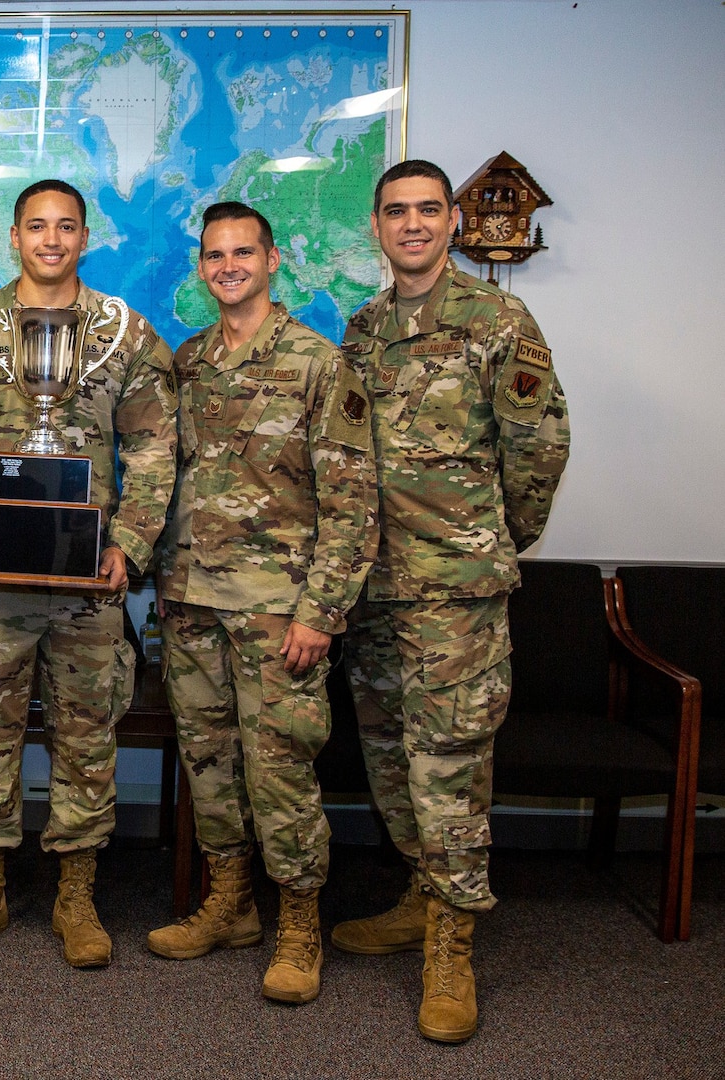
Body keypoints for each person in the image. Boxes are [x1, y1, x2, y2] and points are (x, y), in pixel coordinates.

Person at [333, 160, 570, 1042]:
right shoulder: (360, 332)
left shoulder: (498, 321)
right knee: (392, 760)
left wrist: (486, 542)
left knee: (451, 772)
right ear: (377, 225)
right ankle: (416, 895)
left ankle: (452, 944)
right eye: (397, 211)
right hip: (376, 595)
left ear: (454, 222)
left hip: (456, 600)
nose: (414, 224)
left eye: (429, 209)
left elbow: (540, 448)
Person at [0, 179, 176, 968]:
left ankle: (76, 893)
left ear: (86, 237)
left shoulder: (127, 336)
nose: (52, 240)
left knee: (86, 735)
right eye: (37, 226)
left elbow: (155, 448)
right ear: (14, 235)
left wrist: (126, 543)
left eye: (66, 227)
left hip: (87, 580)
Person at [145, 202, 377, 1004]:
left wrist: (322, 612)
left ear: (273, 260)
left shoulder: (317, 362)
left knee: (279, 772)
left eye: (244, 251)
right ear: (202, 267)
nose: (229, 265)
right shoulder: (191, 361)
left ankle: (298, 921)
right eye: (215, 254)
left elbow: (353, 501)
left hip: (279, 612)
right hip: (192, 603)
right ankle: (230, 903)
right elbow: (168, 480)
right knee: (209, 766)